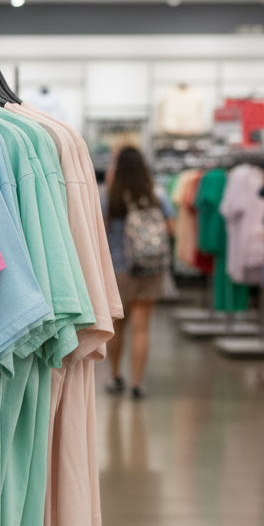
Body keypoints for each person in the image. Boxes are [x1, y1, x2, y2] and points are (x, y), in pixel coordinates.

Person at [103, 145, 174, 399]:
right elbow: (171, 228)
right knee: (142, 327)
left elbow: (99, 231)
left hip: (118, 270)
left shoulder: (110, 195)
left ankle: (115, 377)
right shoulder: (156, 194)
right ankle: (136, 383)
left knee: (117, 328)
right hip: (149, 268)